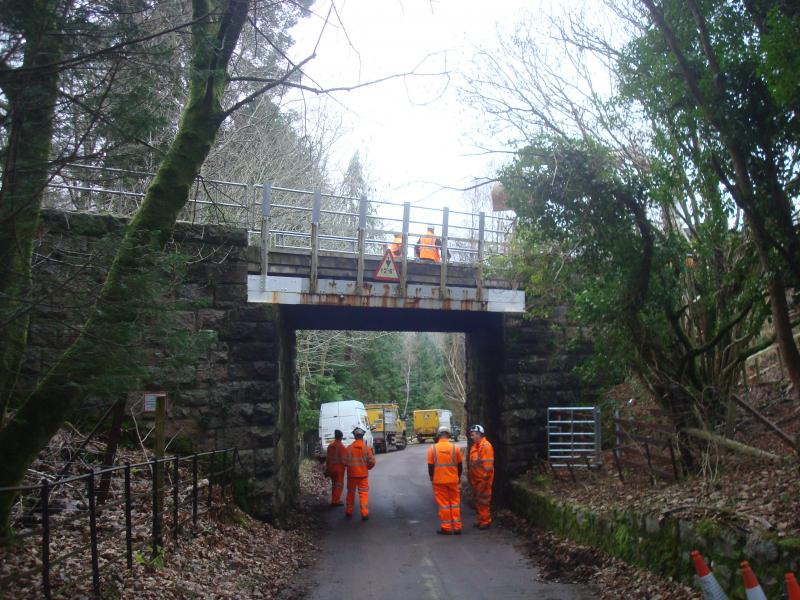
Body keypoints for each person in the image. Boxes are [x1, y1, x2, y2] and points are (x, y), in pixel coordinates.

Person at [427, 425, 463, 535]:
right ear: (448, 435)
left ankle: (446, 527)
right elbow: (460, 466)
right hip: (453, 480)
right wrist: (458, 477)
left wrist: (432, 478)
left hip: (439, 481)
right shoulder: (455, 448)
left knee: (444, 505)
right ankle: (457, 527)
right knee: (455, 503)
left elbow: (430, 467)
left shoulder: (432, 449)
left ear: (439, 435)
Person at [345, 426, 376, 520]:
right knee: (363, 494)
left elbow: (344, 461)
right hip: (363, 476)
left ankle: (349, 511)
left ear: (354, 436)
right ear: (362, 436)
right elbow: (372, 462)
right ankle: (364, 513)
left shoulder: (348, 449)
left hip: (351, 476)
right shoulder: (366, 449)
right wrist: (367, 468)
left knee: (350, 493)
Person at [468, 424, 494, 530]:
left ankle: (486, 521)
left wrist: (484, 480)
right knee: (478, 501)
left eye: (473, 435)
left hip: (484, 480)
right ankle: (481, 519)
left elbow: (488, 467)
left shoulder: (486, 446)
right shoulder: (475, 447)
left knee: (483, 501)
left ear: (479, 434)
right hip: (476, 480)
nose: (471, 437)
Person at [324, 429, 348, 507]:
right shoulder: (341, 447)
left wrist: (327, 469)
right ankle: (335, 501)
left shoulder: (330, 446)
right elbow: (344, 460)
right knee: (339, 485)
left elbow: (327, 458)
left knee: (334, 485)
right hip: (338, 470)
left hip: (331, 468)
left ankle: (334, 499)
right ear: (341, 437)